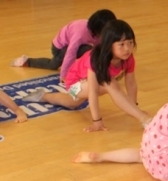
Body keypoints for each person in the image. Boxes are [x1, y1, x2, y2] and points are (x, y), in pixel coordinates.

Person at [21, 20, 151, 132]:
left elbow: (131, 84)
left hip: (86, 84)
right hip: (74, 85)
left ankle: (43, 96)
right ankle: (145, 119)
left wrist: (133, 109)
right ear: (108, 45)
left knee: (71, 103)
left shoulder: (128, 58)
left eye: (130, 42)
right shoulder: (96, 58)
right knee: (109, 83)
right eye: (121, 44)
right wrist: (97, 121)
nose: (127, 48)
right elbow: (92, 91)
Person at [10, 9, 116, 80]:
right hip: (59, 47)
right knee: (53, 65)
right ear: (98, 30)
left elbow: (104, 50)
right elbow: (71, 53)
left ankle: (93, 71)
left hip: (80, 46)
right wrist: (64, 75)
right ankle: (27, 61)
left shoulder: (98, 33)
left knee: (93, 50)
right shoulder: (80, 33)